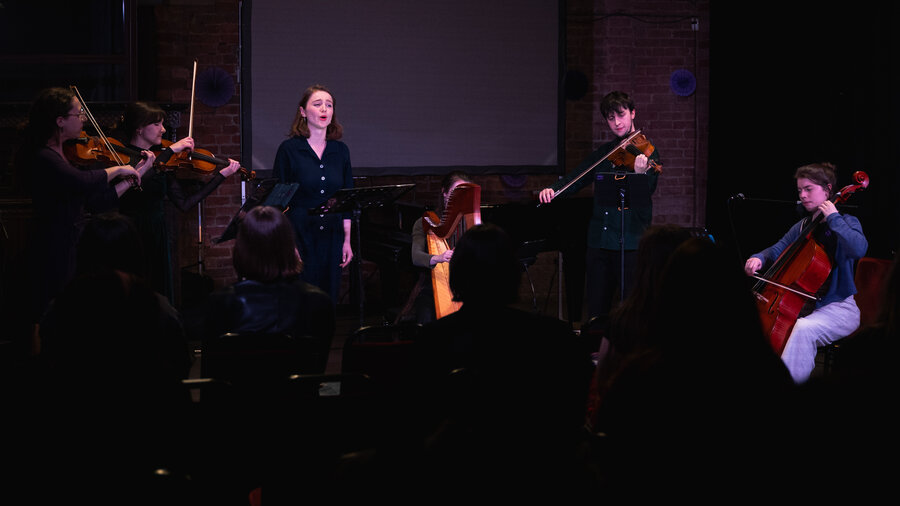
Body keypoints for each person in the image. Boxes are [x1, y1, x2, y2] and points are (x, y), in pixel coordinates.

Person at [410, 223, 596, 497]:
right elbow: (575, 412)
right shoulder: (555, 336)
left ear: (457, 275)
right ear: (513, 274)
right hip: (545, 475)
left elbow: (418, 424)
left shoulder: (433, 341)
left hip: (457, 476)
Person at [14, 87, 149, 353]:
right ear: (60, 121)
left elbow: (95, 200)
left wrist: (134, 177)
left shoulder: (64, 153)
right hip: (51, 243)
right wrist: (118, 169)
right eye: (78, 114)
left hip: (70, 239)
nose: (84, 119)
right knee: (46, 310)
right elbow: (80, 182)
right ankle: (43, 366)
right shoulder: (43, 156)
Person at [538, 90, 660, 329]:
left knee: (631, 311)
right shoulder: (605, 153)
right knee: (596, 311)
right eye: (611, 118)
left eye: (621, 115)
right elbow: (577, 177)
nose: (617, 123)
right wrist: (553, 190)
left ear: (633, 113)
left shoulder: (647, 151)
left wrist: (640, 175)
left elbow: (646, 195)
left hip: (629, 243)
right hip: (599, 242)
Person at [744, 162, 868, 384]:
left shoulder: (847, 222)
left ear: (827, 190)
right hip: (805, 306)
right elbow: (777, 249)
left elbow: (858, 249)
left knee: (803, 329)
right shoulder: (803, 226)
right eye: (800, 190)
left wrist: (834, 218)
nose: (802, 195)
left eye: (808, 189)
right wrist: (759, 257)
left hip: (839, 309)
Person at [116, 101, 242, 302]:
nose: (163, 129)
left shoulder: (163, 163)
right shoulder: (121, 157)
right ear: (139, 128)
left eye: (163, 124)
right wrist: (170, 151)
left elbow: (185, 203)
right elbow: (137, 181)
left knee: (157, 292)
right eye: (157, 124)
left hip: (158, 233)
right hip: (131, 232)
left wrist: (221, 176)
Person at [203, 205, 336, 374]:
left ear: (243, 248)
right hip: (298, 390)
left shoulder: (221, 302)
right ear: (289, 246)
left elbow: (212, 375)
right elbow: (317, 370)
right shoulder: (319, 301)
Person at [273, 84, 353, 302]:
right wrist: (288, 244)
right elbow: (279, 202)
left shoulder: (341, 150)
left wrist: (347, 240)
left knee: (328, 298)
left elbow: (347, 198)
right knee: (301, 298)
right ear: (303, 111)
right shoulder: (289, 149)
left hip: (333, 234)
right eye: (317, 104)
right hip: (300, 233)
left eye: (329, 105)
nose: (324, 109)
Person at [406, 170, 473, 323]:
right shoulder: (424, 223)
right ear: (445, 193)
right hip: (431, 288)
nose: (459, 197)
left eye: (463, 193)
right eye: (455, 192)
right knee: (426, 315)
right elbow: (416, 257)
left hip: (466, 287)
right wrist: (439, 257)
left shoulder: (470, 223)